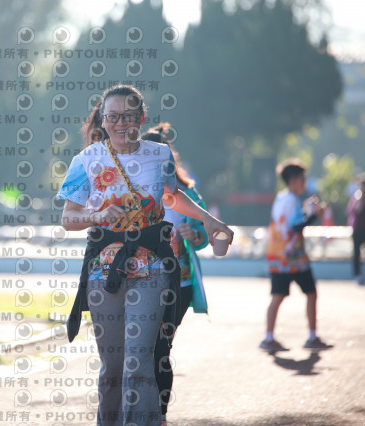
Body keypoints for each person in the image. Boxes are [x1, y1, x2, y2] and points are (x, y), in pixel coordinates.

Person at [57, 85, 233, 426]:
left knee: (139, 363)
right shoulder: (86, 160)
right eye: (113, 117)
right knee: (112, 369)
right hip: (105, 272)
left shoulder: (160, 155)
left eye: (128, 116)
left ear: (140, 118)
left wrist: (208, 220)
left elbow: (172, 196)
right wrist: (96, 216)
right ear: (102, 120)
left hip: (152, 268)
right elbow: (68, 218)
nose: (121, 123)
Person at [141, 123, 209, 423]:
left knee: (160, 347)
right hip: (138, 284)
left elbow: (204, 235)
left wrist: (194, 235)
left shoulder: (187, 193)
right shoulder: (132, 191)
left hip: (177, 285)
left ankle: (160, 415)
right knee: (140, 349)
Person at [262, 158, 332, 352]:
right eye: (303, 179)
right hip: (293, 258)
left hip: (278, 257)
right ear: (293, 180)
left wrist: (308, 212)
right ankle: (312, 337)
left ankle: (268, 338)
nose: (305, 182)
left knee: (278, 296)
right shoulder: (292, 200)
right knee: (310, 293)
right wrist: (314, 215)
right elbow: (295, 226)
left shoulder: (282, 198)